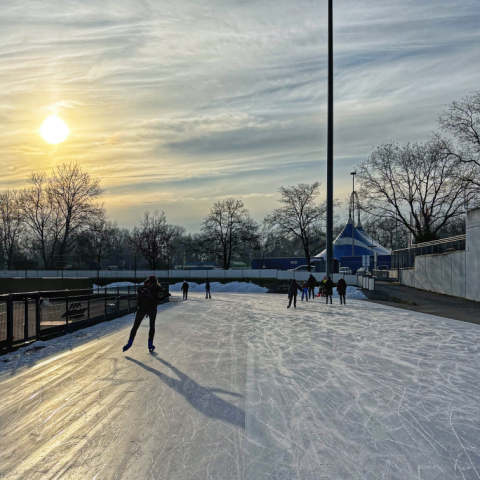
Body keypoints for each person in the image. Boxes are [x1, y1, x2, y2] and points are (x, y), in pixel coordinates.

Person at [123, 275, 163, 353]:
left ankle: (129, 343)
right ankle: (150, 344)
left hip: (141, 309)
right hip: (152, 309)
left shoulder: (143, 287)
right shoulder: (155, 287)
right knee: (152, 326)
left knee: (135, 326)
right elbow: (160, 295)